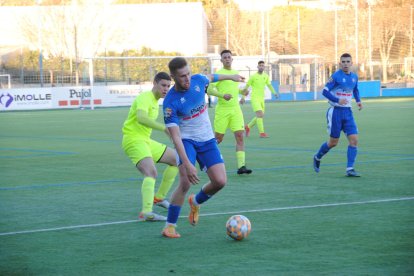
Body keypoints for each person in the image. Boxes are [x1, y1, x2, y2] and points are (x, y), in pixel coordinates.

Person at [161, 57, 245, 238]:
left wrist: (232, 77)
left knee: (220, 181)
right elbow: (175, 137)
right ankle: (169, 226)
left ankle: (196, 201)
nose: (187, 79)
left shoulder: (198, 80)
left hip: (207, 140)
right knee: (184, 182)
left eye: (188, 74)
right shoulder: (170, 103)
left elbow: (212, 76)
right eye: (182, 76)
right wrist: (187, 163)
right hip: (186, 142)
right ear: (173, 77)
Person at [122, 72, 179, 221]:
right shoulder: (144, 97)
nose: (166, 89)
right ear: (155, 83)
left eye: (168, 86)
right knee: (151, 172)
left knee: (177, 159)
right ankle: (146, 212)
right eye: (163, 85)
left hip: (145, 140)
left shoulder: (156, 101)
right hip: (133, 140)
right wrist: (164, 128)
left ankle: (159, 198)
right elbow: (141, 118)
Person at [313, 53, 363, 177]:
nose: (346, 64)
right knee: (333, 142)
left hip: (348, 113)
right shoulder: (336, 76)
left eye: (348, 61)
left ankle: (350, 169)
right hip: (335, 112)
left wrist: (358, 101)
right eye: (343, 62)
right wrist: (337, 100)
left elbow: (355, 89)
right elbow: (324, 91)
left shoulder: (354, 77)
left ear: (351, 63)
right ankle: (317, 156)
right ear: (340, 63)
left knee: (354, 140)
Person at [208, 50, 252, 175]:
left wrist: (243, 92)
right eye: (225, 57)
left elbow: (234, 90)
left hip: (236, 109)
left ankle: (241, 166)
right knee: (218, 139)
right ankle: (209, 162)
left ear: (232, 59)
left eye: (229, 57)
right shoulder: (218, 74)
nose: (227, 59)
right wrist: (222, 95)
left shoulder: (235, 73)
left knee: (240, 136)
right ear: (221, 60)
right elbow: (209, 90)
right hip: (222, 110)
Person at [242, 60, 279, 138]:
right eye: (260, 65)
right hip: (254, 98)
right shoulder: (253, 76)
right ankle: (262, 133)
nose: (261, 67)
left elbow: (269, 85)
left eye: (263, 66)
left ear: (264, 67)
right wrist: (243, 97)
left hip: (262, 99)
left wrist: (274, 93)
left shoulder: (266, 76)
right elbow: (246, 87)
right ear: (257, 67)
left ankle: (248, 127)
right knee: (260, 114)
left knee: (260, 116)